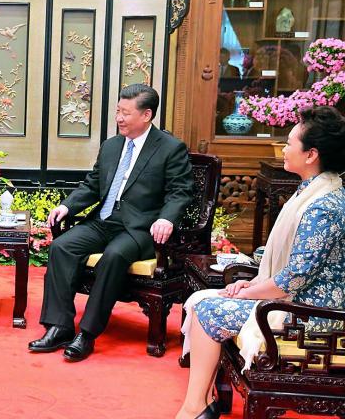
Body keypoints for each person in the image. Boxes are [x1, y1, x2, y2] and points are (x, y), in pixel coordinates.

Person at [176, 106, 345, 419]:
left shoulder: (323, 206)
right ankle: (201, 403)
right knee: (204, 298)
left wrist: (249, 292)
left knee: (208, 309)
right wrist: (251, 283)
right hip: (298, 300)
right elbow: (291, 270)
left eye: (290, 143)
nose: (284, 149)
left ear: (311, 155)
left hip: (314, 315)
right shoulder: (315, 191)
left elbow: (294, 278)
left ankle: (194, 407)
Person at [29, 83, 194, 362]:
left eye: (126, 113)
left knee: (114, 257)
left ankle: (88, 334)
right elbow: (93, 184)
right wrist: (67, 206)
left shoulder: (170, 148)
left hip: (138, 227)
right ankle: (59, 326)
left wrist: (166, 218)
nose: (119, 118)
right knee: (62, 247)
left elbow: (181, 191)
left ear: (146, 115)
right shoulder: (112, 145)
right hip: (103, 220)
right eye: (118, 111)